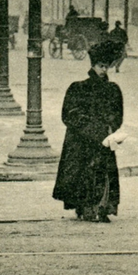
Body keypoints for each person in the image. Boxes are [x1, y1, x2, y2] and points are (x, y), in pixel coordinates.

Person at [52, 37, 126, 222]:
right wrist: (94, 131)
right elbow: (70, 115)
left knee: (103, 174)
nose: (104, 70)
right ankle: (85, 208)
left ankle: (102, 207)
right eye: (101, 66)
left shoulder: (113, 90)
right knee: (83, 173)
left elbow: (117, 115)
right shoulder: (78, 88)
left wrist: (110, 129)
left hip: (103, 140)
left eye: (106, 66)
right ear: (93, 66)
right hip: (82, 141)